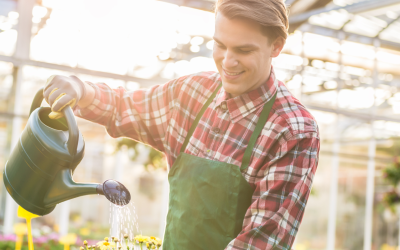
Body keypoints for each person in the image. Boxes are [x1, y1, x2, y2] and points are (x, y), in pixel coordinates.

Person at [43, 0, 320, 249]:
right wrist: (80, 88)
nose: (228, 61)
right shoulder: (192, 93)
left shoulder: (292, 131)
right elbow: (124, 107)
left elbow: (261, 242)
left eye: (244, 50)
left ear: (276, 46)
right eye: (220, 45)